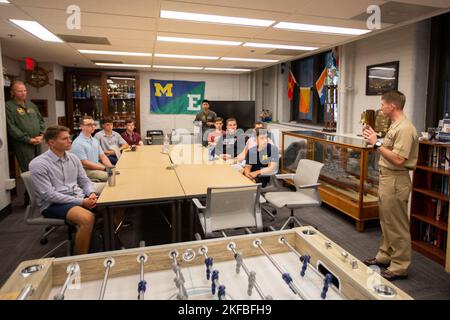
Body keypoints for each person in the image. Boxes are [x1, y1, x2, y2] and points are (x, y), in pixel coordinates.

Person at [362, 90, 419, 281]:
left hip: (396, 180)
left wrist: (376, 143)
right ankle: (385, 256)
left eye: (382, 104)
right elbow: (391, 150)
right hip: (387, 178)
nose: (380, 107)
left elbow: (399, 159)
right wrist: (376, 138)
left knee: (397, 225)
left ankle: (400, 266)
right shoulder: (396, 125)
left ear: (391, 105)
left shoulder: (405, 128)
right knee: (386, 222)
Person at [29, 126, 97, 255]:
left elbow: (84, 181)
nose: (70, 141)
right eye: (64, 139)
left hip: (78, 197)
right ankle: (80, 260)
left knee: (111, 204)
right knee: (87, 218)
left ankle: (103, 245)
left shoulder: (73, 158)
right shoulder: (38, 164)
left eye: (69, 137)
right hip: (53, 204)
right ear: (51, 143)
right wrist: (81, 202)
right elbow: (49, 195)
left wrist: (91, 193)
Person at [5, 81, 45, 173]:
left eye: (25, 90)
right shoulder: (8, 106)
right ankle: (30, 188)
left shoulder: (31, 105)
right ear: (12, 92)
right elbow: (11, 127)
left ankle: (40, 187)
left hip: (37, 141)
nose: (23, 93)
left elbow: (41, 121)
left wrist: (42, 135)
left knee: (39, 167)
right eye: (20, 91)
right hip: (23, 144)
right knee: (29, 170)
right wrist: (28, 139)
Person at [71, 116, 113, 182]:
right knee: (112, 176)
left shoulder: (94, 140)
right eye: (89, 125)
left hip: (97, 166)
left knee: (117, 173)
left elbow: (103, 156)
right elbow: (85, 163)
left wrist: (111, 167)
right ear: (82, 126)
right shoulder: (77, 143)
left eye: (94, 124)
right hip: (87, 170)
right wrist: (104, 168)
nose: (93, 127)